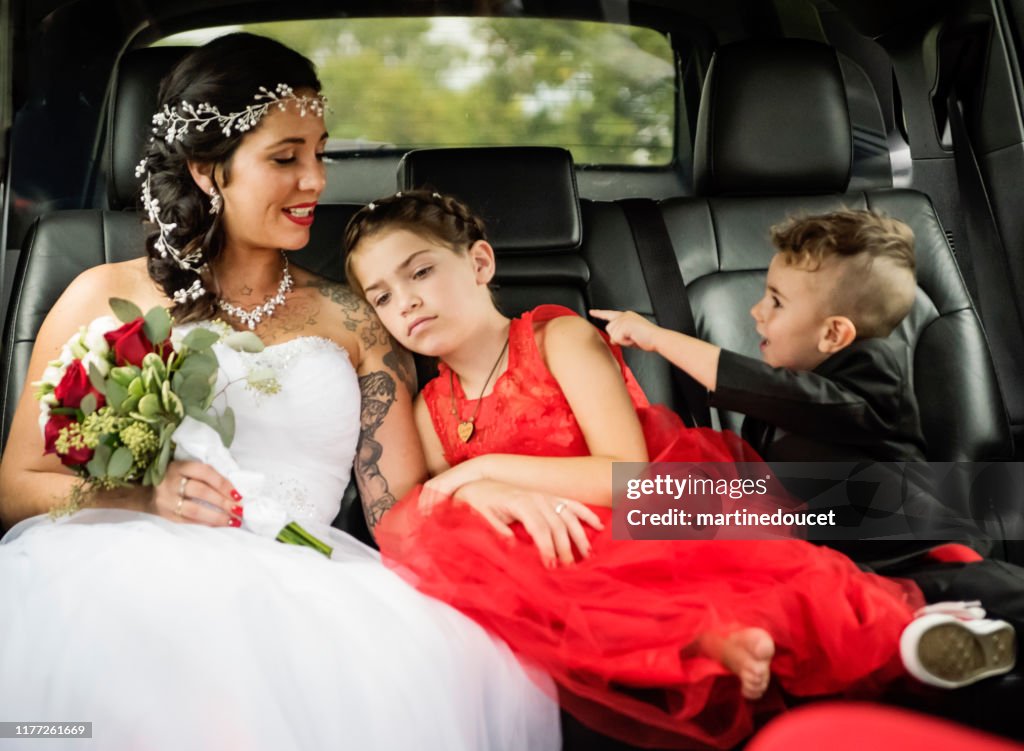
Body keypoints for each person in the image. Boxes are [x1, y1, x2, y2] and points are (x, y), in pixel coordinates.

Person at [0, 34, 559, 751]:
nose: (317, 181)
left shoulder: (359, 320)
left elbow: (397, 511)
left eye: (320, 153)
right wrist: (142, 494)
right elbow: (18, 483)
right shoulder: (104, 296)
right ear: (209, 171)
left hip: (309, 591)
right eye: (285, 158)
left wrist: (484, 485)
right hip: (114, 577)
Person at [343, 191, 1015, 750]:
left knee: (782, 583)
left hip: (648, 514)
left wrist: (487, 470)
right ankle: (709, 640)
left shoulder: (558, 338)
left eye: (420, 272)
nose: (405, 300)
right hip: (546, 557)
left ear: (480, 261)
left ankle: (912, 632)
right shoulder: (430, 410)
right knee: (457, 538)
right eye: (380, 295)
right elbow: (429, 509)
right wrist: (478, 494)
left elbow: (627, 474)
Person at [592, 209, 925, 464]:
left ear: (833, 334)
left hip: (916, 549)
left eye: (776, 302)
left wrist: (658, 338)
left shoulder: (875, 378)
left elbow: (774, 389)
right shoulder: (779, 404)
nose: (756, 311)